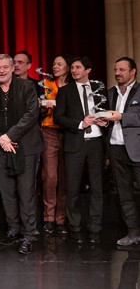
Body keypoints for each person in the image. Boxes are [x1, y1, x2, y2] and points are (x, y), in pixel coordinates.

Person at [0, 54, 43, 255]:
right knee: (7, 191)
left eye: (5, 67)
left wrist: (8, 136)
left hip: (26, 147)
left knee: (26, 192)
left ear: (12, 68)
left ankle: (29, 234)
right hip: (1, 147)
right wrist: (0, 137)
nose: (1, 71)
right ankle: (14, 229)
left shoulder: (27, 87)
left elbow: (31, 115)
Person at [54, 56, 107, 244]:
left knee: (97, 187)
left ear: (88, 70)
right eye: (73, 67)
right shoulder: (65, 91)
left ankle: (95, 226)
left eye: (78, 67)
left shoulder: (99, 89)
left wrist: (105, 121)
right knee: (73, 187)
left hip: (96, 143)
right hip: (75, 143)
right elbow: (58, 118)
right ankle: (74, 225)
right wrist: (79, 123)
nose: (74, 70)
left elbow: (106, 112)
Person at [101, 57, 140, 246]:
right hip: (116, 149)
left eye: (122, 70)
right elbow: (109, 118)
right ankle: (133, 233)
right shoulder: (110, 93)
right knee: (124, 193)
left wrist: (122, 116)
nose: (117, 73)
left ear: (133, 71)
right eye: (116, 69)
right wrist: (104, 120)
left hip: (137, 149)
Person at [39, 54, 72, 235]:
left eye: (60, 64)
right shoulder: (47, 84)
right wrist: (43, 106)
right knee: (50, 177)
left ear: (68, 67)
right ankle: (48, 218)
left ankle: (61, 219)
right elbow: (41, 109)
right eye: (53, 63)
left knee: (65, 177)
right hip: (49, 131)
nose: (55, 66)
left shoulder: (73, 87)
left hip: (68, 133)